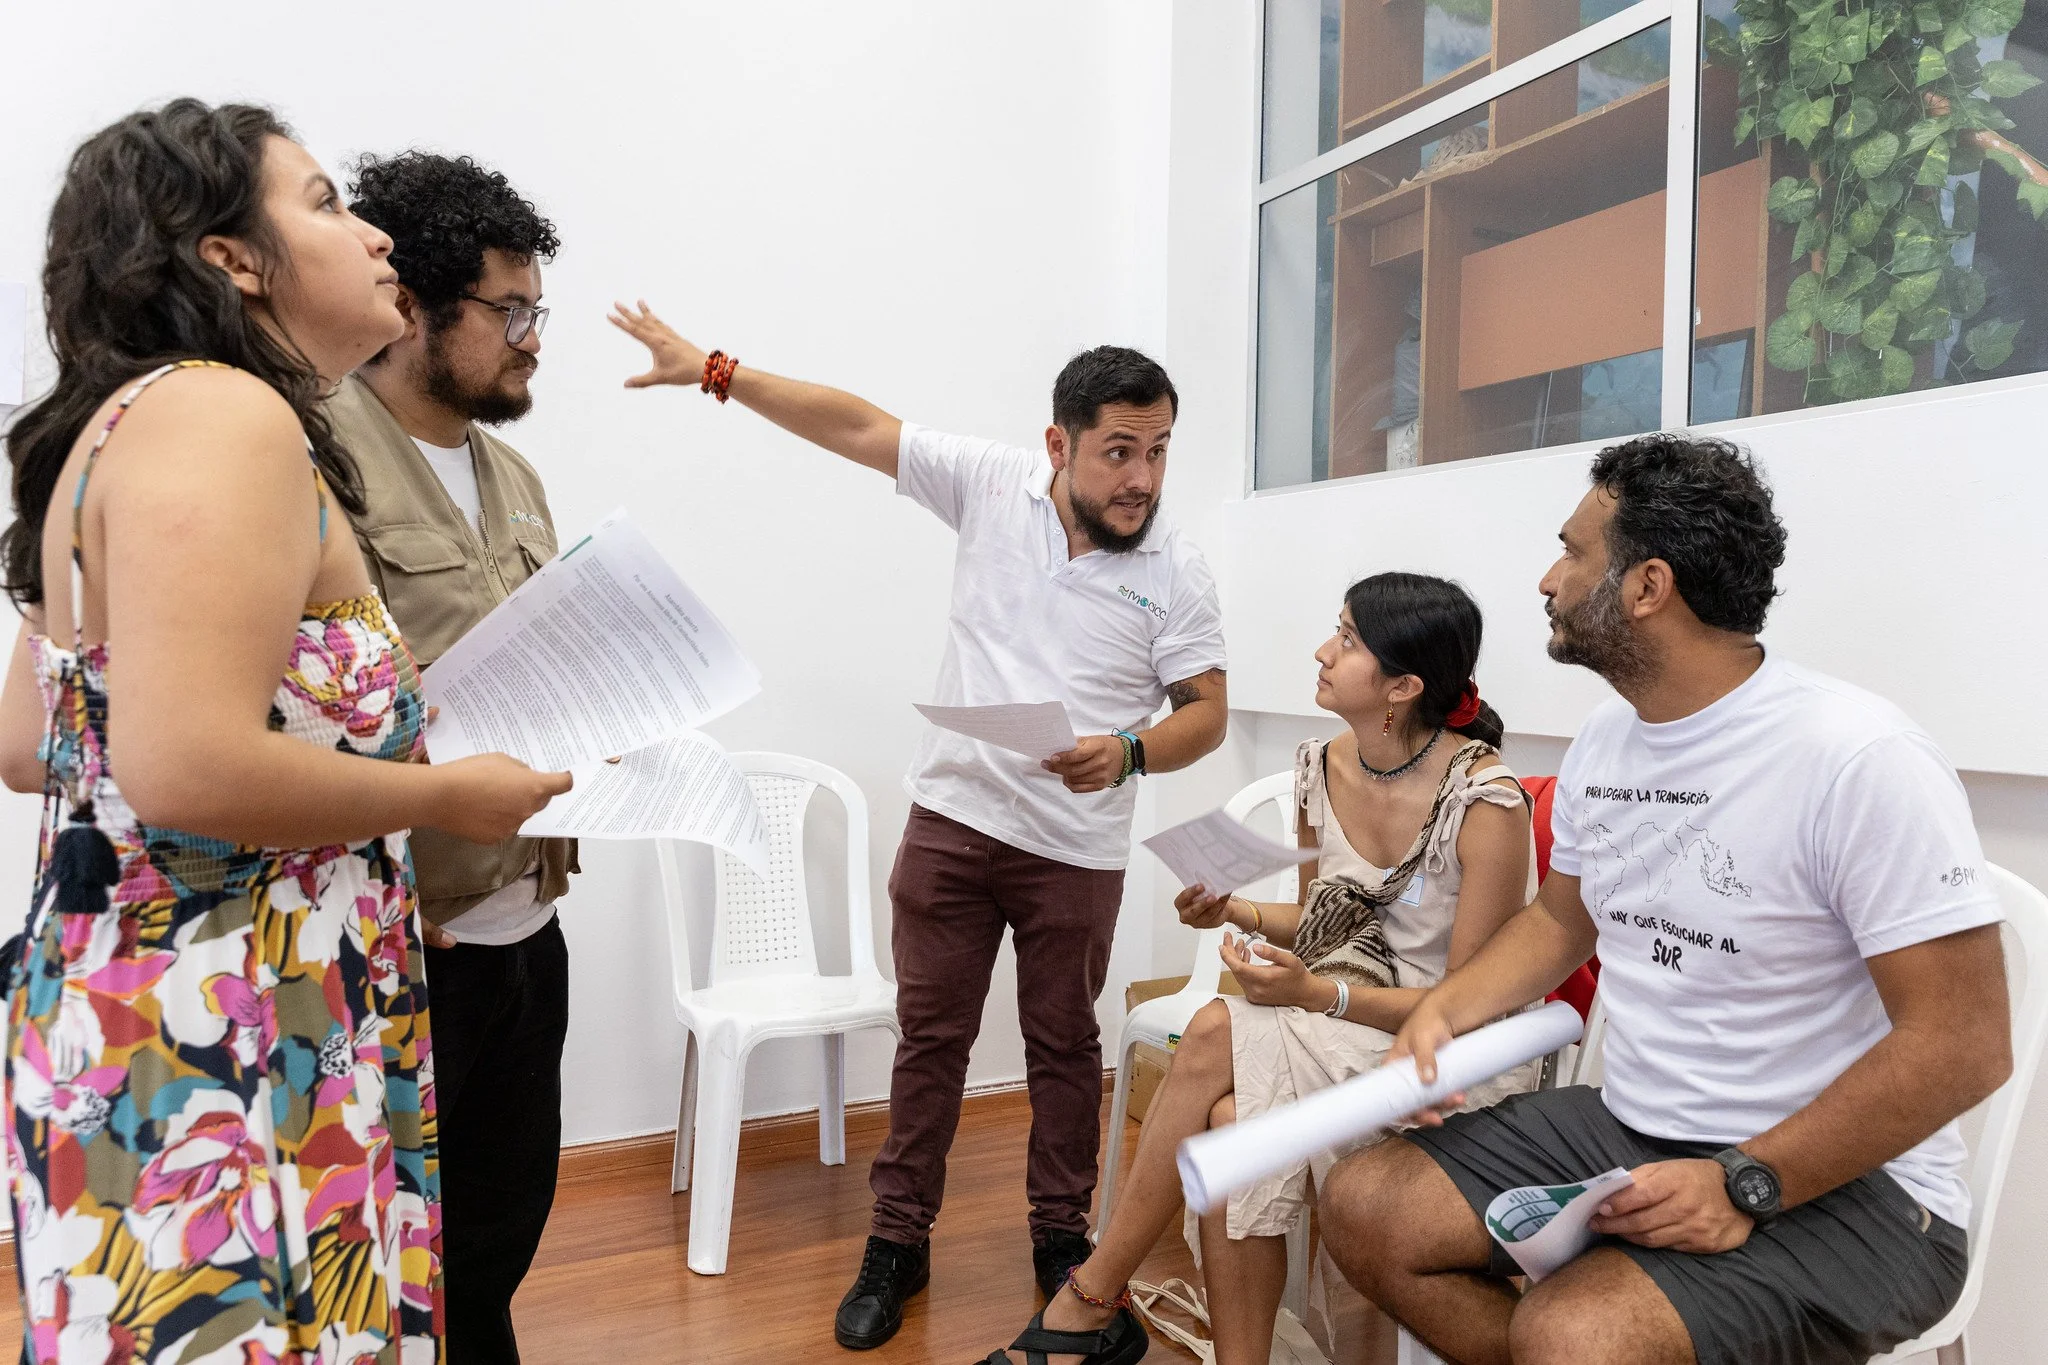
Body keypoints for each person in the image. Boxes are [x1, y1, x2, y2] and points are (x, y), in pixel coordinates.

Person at [0, 100, 568, 1363]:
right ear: (231, 258)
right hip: (228, 1021)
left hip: (158, 997)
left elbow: (37, 746)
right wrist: (439, 798)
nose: (372, 237)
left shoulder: (124, 420)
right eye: (323, 203)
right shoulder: (226, 416)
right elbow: (180, 764)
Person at [610, 304, 1230, 1349]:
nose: (1142, 478)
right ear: (1058, 445)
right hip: (953, 822)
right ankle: (896, 1243)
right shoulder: (991, 484)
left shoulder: (1176, 568)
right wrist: (715, 370)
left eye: (1159, 451)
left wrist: (1127, 751)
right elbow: (856, 426)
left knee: (1063, 1048)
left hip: (1074, 851)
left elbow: (1205, 713)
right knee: (930, 1042)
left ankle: (1060, 1243)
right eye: (1119, 451)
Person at [1317, 434, 2012, 1365]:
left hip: (1857, 1185)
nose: (1547, 581)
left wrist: (1747, 1180)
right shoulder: (1609, 740)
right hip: (1638, 1126)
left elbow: (1964, 1043)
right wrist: (1444, 1012)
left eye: (1572, 553)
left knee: (1574, 1332)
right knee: (1367, 1206)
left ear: (1647, 587)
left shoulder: (1858, 758)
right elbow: (1562, 919)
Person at [977, 572, 1541, 1365]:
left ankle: (1092, 1298)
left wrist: (1318, 993)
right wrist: (1235, 910)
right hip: (1341, 1017)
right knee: (1231, 1123)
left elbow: (1468, 1004)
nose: (1322, 650)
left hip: (1445, 1055)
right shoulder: (1324, 763)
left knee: (1215, 1029)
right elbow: (1321, 922)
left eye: (1348, 639)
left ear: (1402, 686)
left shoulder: (1486, 802)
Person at [324, 150, 575, 1365]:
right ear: (413, 306)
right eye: (508, 312)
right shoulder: (317, 458)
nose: (532, 342)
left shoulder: (511, 473)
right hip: (406, 937)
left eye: (537, 312)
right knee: (387, 1255)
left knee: (494, 1238)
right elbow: (297, 711)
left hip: (528, 914)